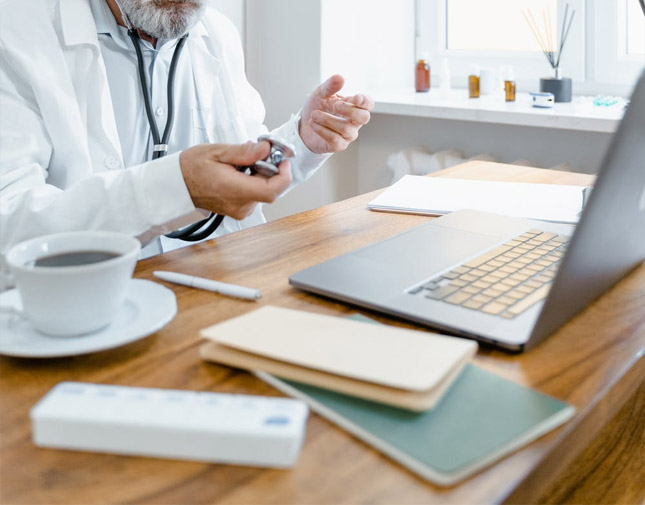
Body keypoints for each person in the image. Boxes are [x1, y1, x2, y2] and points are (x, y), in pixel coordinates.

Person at [0, 0, 373, 266]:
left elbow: (240, 168)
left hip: (215, 282)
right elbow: (10, 223)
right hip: (85, 309)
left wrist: (302, 140)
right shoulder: (16, 31)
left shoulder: (217, 34)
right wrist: (176, 186)